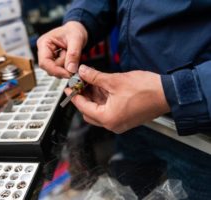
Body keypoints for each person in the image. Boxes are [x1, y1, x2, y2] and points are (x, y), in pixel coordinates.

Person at [37, 0, 211, 199]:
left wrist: (177, 91)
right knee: (125, 187)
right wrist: (79, 21)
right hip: (131, 122)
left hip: (200, 140)